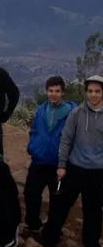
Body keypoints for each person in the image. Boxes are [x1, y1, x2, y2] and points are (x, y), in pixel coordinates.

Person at [39, 75, 103, 247]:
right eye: (90, 91)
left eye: (97, 91)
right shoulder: (77, 113)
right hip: (75, 166)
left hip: (97, 171)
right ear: (86, 92)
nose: (93, 95)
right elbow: (66, 140)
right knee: (61, 203)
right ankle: (50, 237)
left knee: (93, 210)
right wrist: (61, 165)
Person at [24, 76, 76, 234]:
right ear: (46, 92)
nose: (53, 94)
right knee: (31, 192)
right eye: (50, 91)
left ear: (63, 92)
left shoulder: (72, 112)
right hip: (39, 160)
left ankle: (52, 230)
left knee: (57, 198)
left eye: (57, 91)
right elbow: (34, 131)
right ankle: (33, 225)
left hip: (58, 163)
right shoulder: (41, 110)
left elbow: (75, 137)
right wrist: (33, 147)